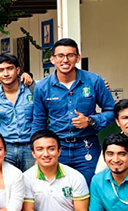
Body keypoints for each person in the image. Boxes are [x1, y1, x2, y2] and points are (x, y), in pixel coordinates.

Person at [32, 38, 115, 187]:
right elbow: (39, 120)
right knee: (57, 191)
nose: (65, 60)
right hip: (56, 149)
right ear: (53, 59)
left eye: (70, 55)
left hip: (87, 147)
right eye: (60, 56)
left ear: (78, 58)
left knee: (90, 189)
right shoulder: (43, 87)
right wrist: (38, 150)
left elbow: (111, 111)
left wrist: (90, 120)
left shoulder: (94, 81)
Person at [0, 53, 35, 172]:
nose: (6, 73)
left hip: (31, 147)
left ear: (18, 70)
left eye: (10, 68)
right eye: (1, 70)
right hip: (6, 148)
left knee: (33, 186)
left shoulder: (33, 88)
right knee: (8, 186)